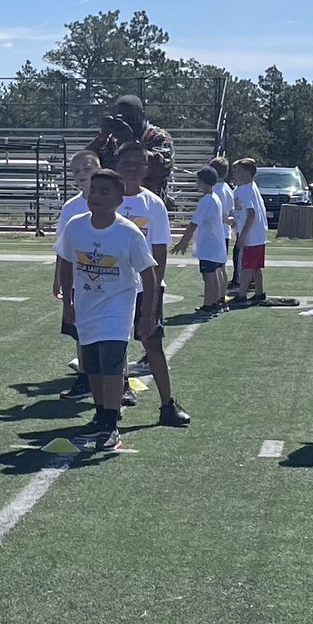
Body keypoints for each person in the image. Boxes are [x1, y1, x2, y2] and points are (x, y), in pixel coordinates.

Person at [57, 169, 158, 452]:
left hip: (116, 310)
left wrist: (147, 315)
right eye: (94, 190)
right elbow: (65, 261)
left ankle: (111, 424)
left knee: (112, 364)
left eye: (105, 192)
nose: (97, 196)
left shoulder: (127, 232)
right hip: (87, 308)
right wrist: (68, 303)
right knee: (93, 367)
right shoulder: (76, 226)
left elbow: (148, 274)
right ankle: (101, 416)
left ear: (118, 198)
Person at [114, 142, 191, 426]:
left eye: (139, 164)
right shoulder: (105, 198)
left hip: (143, 287)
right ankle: (115, 398)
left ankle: (167, 403)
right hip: (112, 287)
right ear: (117, 165)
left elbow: (159, 252)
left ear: (147, 169)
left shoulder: (153, 204)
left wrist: (154, 289)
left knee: (153, 343)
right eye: (127, 163)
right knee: (114, 344)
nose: (132, 168)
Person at [53, 149, 102, 400]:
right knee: (80, 330)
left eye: (88, 169)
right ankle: (84, 378)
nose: (82, 175)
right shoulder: (71, 207)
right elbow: (62, 247)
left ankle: (119, 380)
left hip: (108, 279)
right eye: (76, 171)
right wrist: (58, 278)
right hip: (78, 279)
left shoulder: (115, 200)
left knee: (111, 330)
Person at [87, 95, 182, 201]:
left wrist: (129, 143)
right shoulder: (111, 140)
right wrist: (101, 136)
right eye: (121, 119)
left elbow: (160, 166)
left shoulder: (158, 136)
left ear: (141, 116)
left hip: (150, 201)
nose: (125, 123)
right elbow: (83, 161)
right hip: (115, 202)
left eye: (130, 118)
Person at [171, 167, 228, 314]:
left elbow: (193, 223)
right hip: (216, 244)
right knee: (214, 273)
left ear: (202, 182)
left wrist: (184, 241)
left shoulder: (206, 201)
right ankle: (215, 302)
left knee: (208, 276)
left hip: (209, 246)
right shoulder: (215, 198)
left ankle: (208, 304)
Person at [230, 158, 269, 303]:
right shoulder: (245, 188)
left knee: (247, 265)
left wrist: (243, 235)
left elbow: (251, 214)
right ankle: (259, 292)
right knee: (255, 266)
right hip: (256, 233)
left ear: (247, 173)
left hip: (252, 234)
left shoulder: (246, 190)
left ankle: (241, 294)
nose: (235, 174)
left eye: (238, 171)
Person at [209, 157, 238, 290]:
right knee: (221, 265)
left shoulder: (216, 190)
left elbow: (218, 212)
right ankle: (221, 293)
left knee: (214, 267)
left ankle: (218, 294)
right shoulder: (227, 188)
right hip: (224, 232)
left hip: (216, 232)